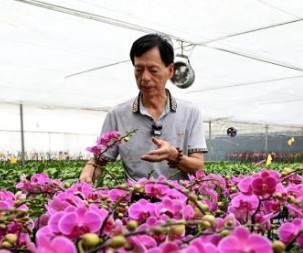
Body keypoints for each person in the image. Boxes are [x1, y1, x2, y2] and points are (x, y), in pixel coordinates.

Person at [79, 33, 207, 183]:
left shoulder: (190, 113)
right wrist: (88, 171)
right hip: (136, 196)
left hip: (178, 196)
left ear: (170, 70)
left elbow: (198, 167)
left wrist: (173, 155)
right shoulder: (118, 115)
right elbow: (99, 160)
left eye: (153, 70)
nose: (145, 78)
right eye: (139, 70)